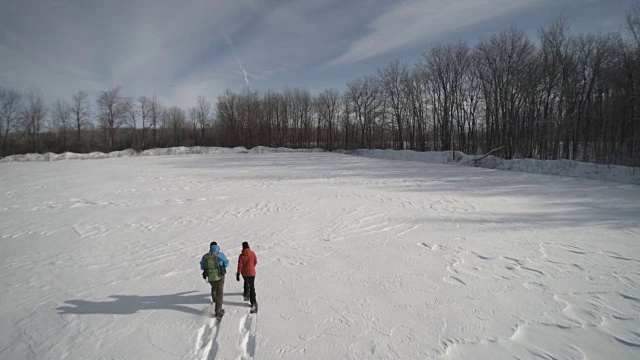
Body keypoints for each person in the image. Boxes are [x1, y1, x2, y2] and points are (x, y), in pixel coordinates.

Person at [200, 241, 229, 318]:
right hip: (219, 276)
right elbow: (226, 263)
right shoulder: (220, 254)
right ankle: (218, 311)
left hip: (210, 277)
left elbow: (202, 267)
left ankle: (214, 300)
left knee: (213, 288)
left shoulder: (205, 256)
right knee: (220, 293)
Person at [236, 241, 258, 313]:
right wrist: (252, 267)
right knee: (252, 287)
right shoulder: (252, 253)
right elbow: (255, 261)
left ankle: (246, 293)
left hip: (244, 273)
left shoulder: (241, 256)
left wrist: (238, 273)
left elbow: (240, 265)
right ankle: (253, 302)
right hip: (252, 272)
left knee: (246, 281)